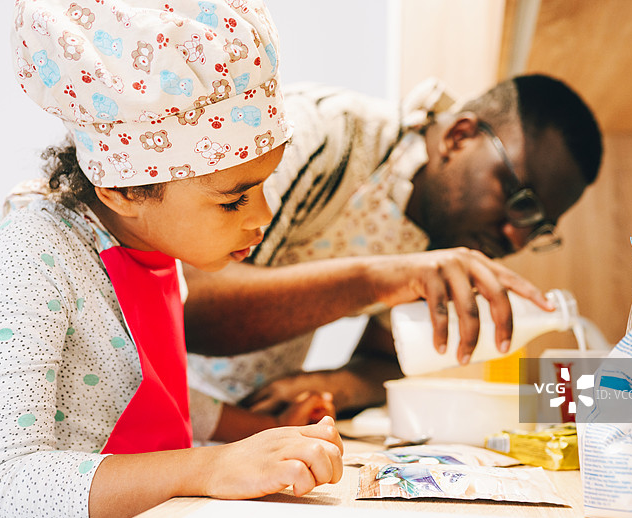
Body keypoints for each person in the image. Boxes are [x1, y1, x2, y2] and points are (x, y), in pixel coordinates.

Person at [0, 2, 348, 518]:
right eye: (234, 199)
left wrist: (261, 428)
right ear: (124, 190)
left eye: (262, 186)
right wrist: (210, 467)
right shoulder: (31, 254)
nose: (263, 216)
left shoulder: (152, 244)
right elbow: (2, 482)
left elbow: (135, 390)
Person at [182, 75, 603, 431]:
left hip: (241, 429)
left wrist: (331, 386)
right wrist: (379, 281)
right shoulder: (325, 135)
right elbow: (186, 301)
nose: (516, 237)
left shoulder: (445, 236)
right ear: (459, 137)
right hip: (159, 402)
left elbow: (386, 356)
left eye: (539, 228)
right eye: (522, 201)